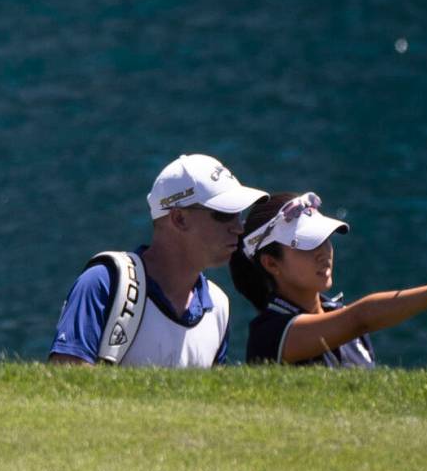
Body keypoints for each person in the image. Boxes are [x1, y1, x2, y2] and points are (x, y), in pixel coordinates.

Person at [228, 192, 427, 367]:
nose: (324, 253)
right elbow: (359, 318)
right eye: (308, 246)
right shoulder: (269, 333)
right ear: (271, 263)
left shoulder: (337, 314)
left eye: (325, 240)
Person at [48, 154, 268, 367]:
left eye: (239, 215)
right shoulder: (104, 283)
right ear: (179, 219)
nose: (239, 228)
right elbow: (66, 385)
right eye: (224, 214)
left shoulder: (218, 306)